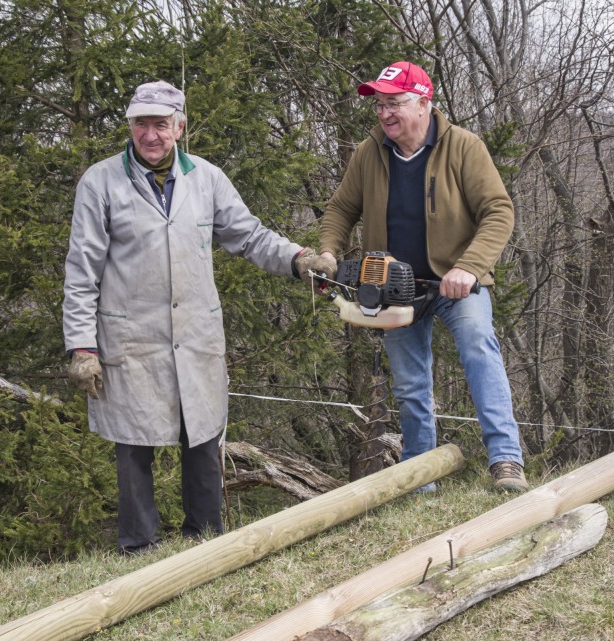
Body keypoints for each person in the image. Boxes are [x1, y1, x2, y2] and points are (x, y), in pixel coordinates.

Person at [63, 80, 335, 555]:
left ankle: (206, 541)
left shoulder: (207, 178)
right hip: (132, 335)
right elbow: (82, 269)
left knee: (203, 437)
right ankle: (138, 546)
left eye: (161, 124)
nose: (151, 134)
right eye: (141, 123)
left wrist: (298, 258)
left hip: (195, 333)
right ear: (130, 126)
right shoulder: (100, 181)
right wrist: (82, 347)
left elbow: (249, 236)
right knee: (133, 445)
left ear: (180, 127)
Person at [318, 62, 528, 493]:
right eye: (379, 104)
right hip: (395, 289)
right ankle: (421, 478)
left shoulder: (464, 147)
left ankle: (506, 461)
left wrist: (468, 267)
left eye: (394, 103)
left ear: (424, 103)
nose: (384, 113)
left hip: (457, 285)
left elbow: (499, 211)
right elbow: (341, 209)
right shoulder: (369, 152)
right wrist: (327, 253)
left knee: (478, 350)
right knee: (411, 385)